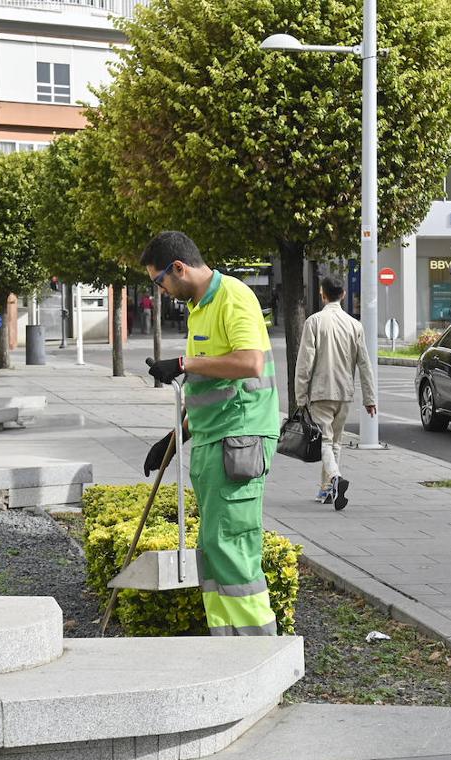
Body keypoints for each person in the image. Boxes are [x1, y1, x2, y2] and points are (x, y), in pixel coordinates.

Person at [141, 231, 280, 638]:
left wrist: (184, 363)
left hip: (239, 439)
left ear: (179, 268)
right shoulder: (200, 308)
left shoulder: (233, 297)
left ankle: (257, 648)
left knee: (232, 545)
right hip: (213, 439)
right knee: (216, 548)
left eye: (159, 281)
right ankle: (227, 645)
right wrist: (174, 436)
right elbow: (211, 388)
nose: (161, 290)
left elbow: (250, 363)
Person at [292, 274, 378, 509]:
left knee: (325, 442)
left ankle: (334, 479)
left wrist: (300, 396)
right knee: (335, 442)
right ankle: (326, 490)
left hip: (320, 392)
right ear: (343, 295)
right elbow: (364, 364)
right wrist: (370, 399)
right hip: (344, 393)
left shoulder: (314, 322)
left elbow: (305, 363)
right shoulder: (354, 325)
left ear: (322, 293)